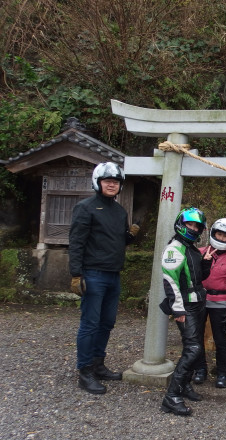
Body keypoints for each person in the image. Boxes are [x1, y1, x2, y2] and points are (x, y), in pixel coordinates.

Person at [69, 162, 139, 395]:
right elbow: (77, 242)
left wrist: (130, 237)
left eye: (116, 181)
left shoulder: (120, 211)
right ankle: (85, 371)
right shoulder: (85, 207)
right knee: (90, 323)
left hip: (113, 274)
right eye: (107, 180)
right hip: (92, 273)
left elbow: (118, 241)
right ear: (97, 182)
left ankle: (98, 364)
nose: (112, 184)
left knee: (107, 322)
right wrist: (76, 274)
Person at [159, 207, 213, 416]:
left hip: (198, 302)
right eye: (189, 224)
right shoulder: (175, 248)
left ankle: (185, 385)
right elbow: (170, 281)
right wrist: (177, 308)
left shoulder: (191, 248)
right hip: (186, 305)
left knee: (195, 345)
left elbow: (199, 278)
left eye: (196, 226)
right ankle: (171, 396)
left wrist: (206, 263)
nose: (192, 228)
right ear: (181, 223)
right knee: (193, 349)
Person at [191, 218, 226, 389]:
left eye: (225, 236)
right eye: (219, 234)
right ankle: (200, 369)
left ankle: (222, 372)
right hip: (199, 299)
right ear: (212, 233)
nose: (221, 238)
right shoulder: (198, 252)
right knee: (196, 337)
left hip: (219, 302)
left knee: (220, 339)